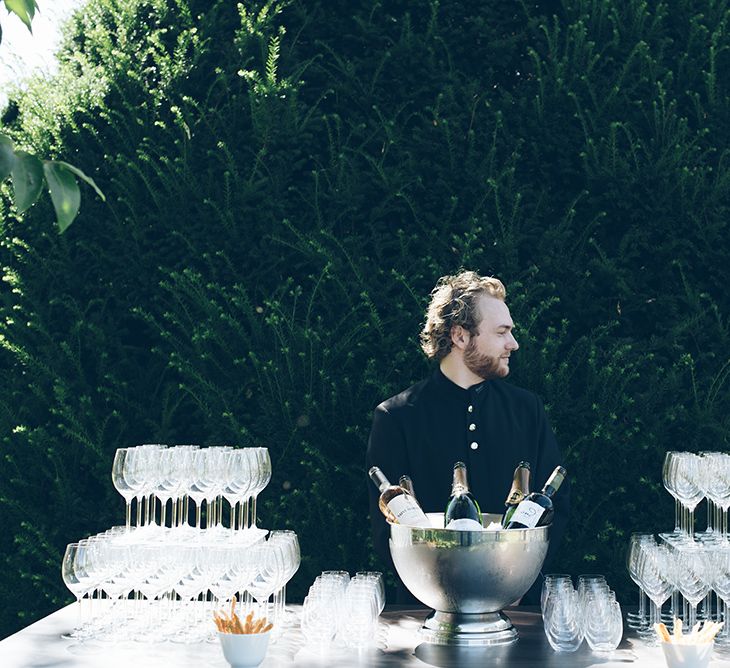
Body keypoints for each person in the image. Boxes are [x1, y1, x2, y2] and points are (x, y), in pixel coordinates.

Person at [365, 270, 570, 604]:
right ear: (460, 336)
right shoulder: (397, 417)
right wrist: (444, 596)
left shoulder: (526, 409)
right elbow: (388, 529)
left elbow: (557, 507)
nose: (513, 343)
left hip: (517, 614)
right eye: (502, 332)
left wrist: (515, 585)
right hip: (425, 615)